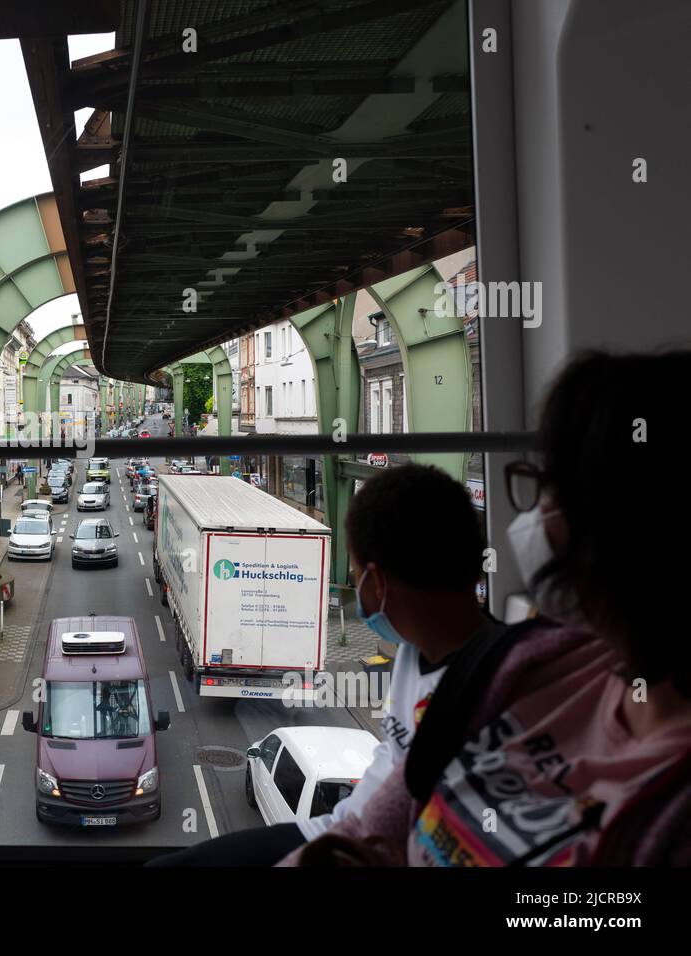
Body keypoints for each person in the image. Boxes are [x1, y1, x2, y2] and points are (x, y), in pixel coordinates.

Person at [283, 349, 691, 867]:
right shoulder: (528, 667)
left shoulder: (668, 812)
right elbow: (370, 825)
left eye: (553, 484)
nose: (536, 515)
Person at [149, 463, 496, 866]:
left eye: (355, 574)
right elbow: (365, 817)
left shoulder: (516, 685)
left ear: (376, 582)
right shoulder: (412, 660)